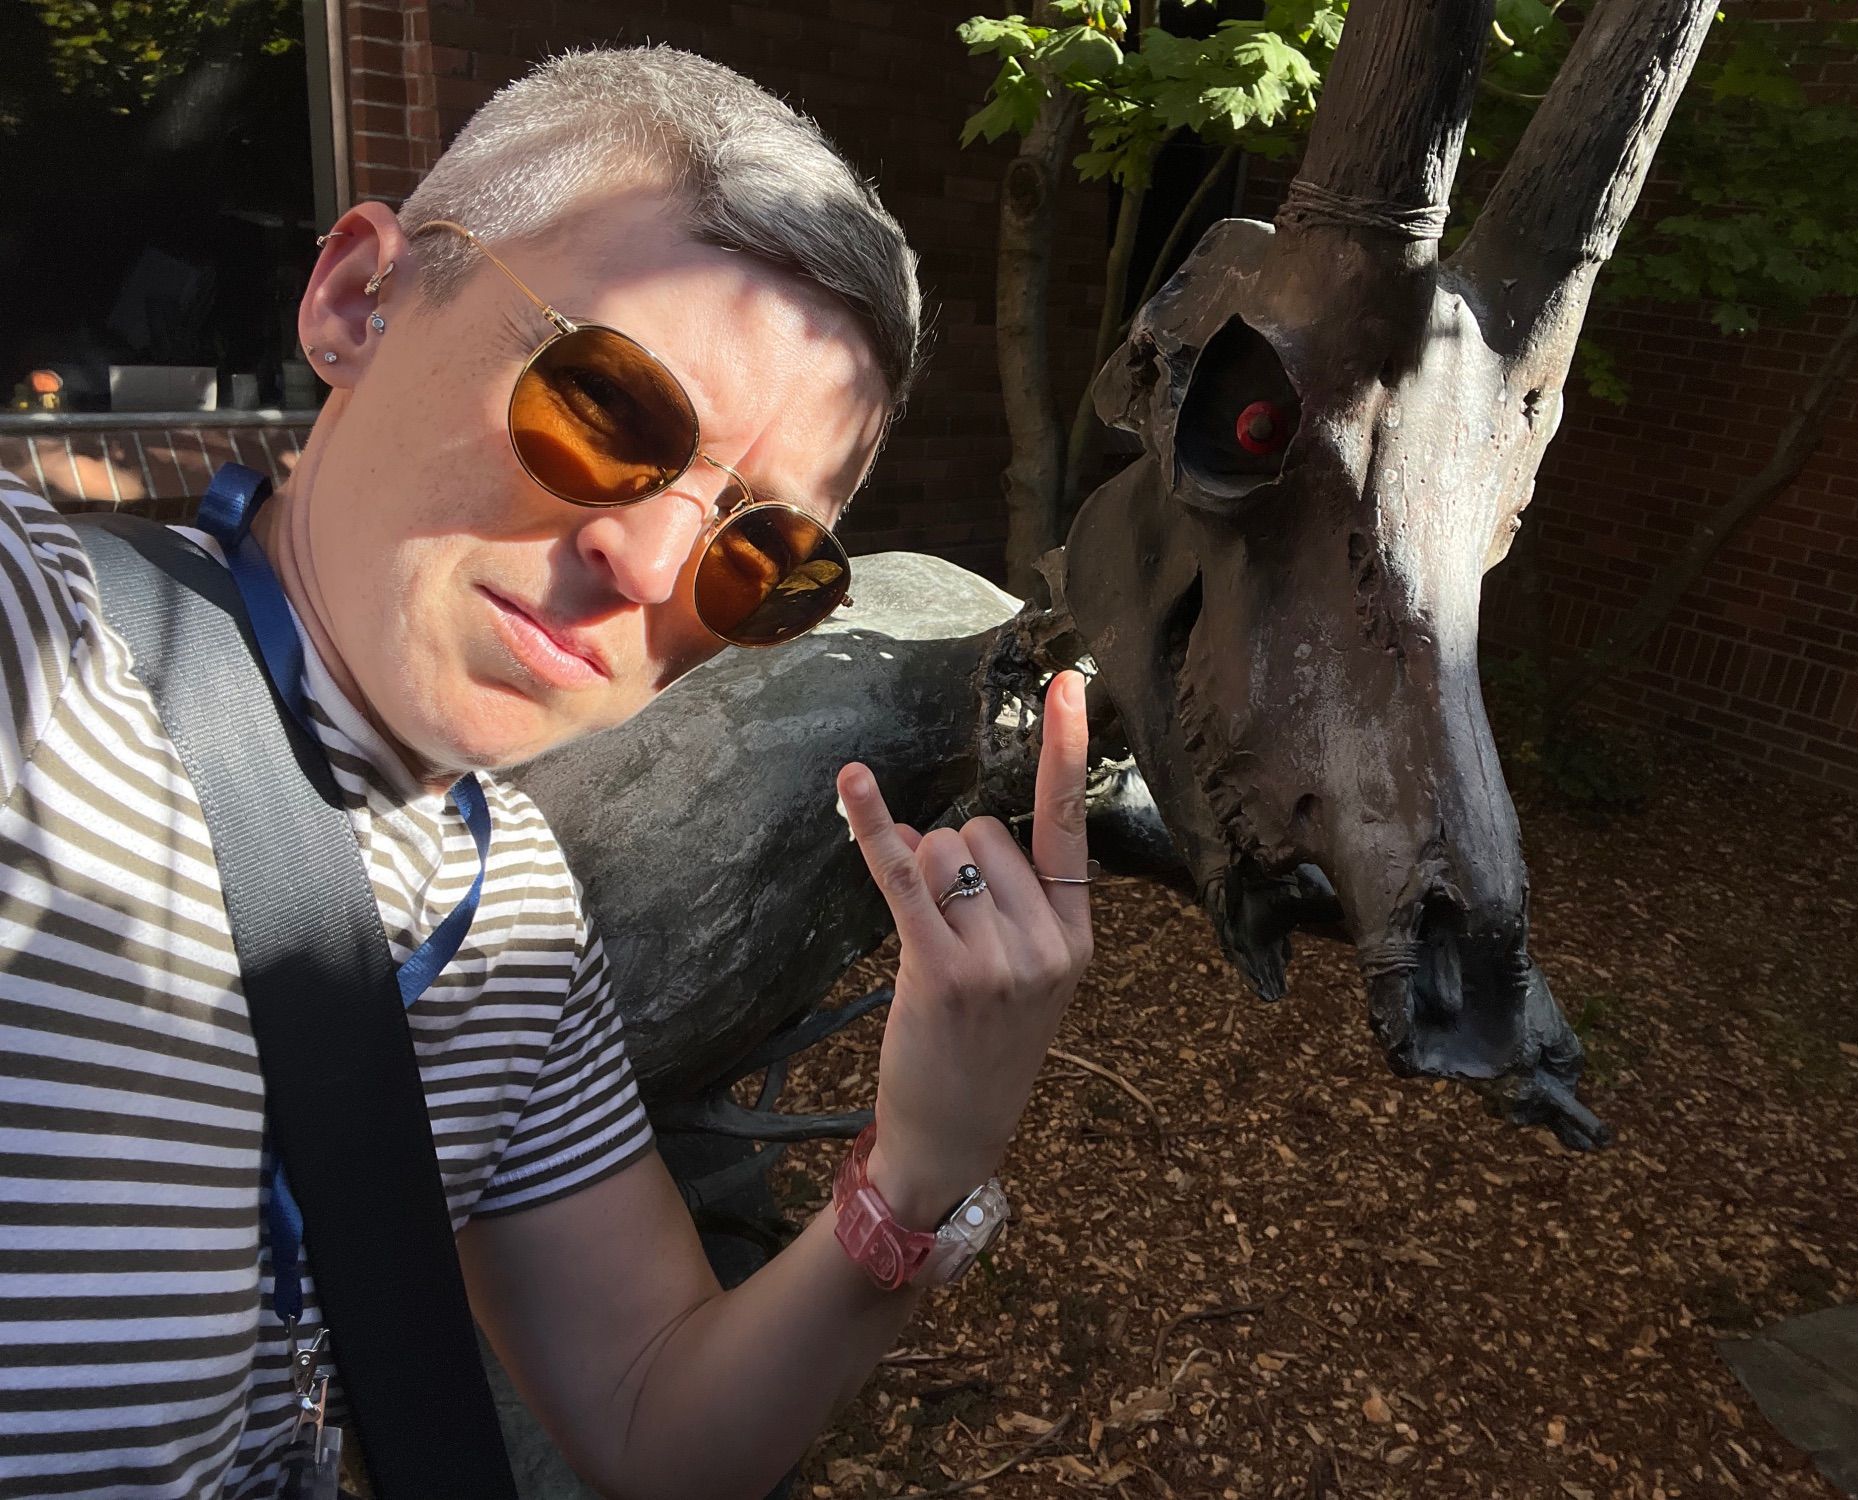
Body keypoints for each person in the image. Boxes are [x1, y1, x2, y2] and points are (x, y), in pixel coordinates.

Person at [0, 45, 1093, 1500]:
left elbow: (655, 1426)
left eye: (757, 552)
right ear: (357, 300)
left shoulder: (507, 909)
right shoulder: (41, 658)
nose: (648, 565)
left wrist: (919, 1166)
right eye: (604, 409)